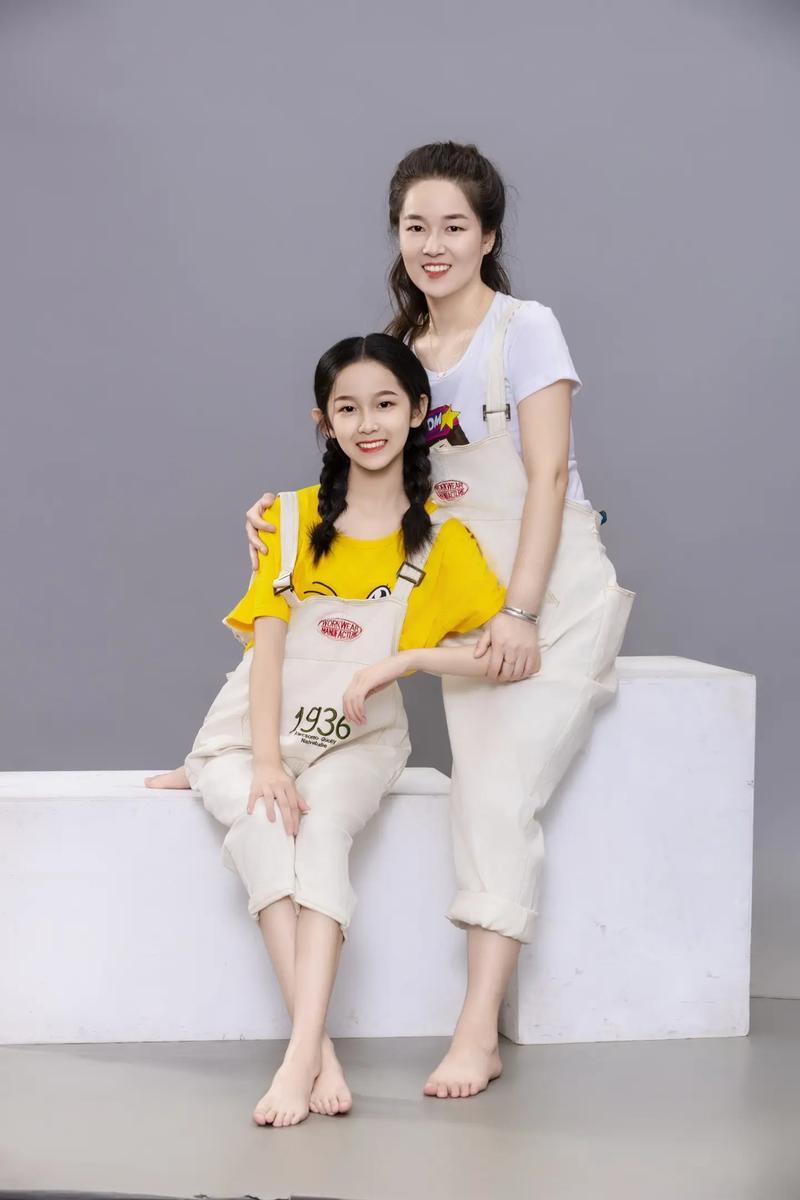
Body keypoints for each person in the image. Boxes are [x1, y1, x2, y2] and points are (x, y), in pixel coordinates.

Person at [242, 142, 636, 1100]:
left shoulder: (524, 328)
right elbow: (370, 462)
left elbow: (548, 474)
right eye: (415, 226)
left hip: (545, 590)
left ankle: (477, 1031)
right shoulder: (404, 347)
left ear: (488, 236)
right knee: (327, 694)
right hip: (451, 594)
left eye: (454, 226)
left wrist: (523, 610)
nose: (433, 244)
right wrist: (284, 514)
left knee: (493, 793)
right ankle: (223, 763)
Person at [147, 332, 506, 1127]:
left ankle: (298, 1056)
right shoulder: (286, 517)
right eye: (347, 409)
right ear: (324, 421)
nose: (367, 424)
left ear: (418, 411)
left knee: (322, 836)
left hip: (360, 740)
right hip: (255, 735)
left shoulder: (443, 540)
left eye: (385, 404)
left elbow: (500, 656)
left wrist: (403, 660)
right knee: (264, 826)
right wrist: (266, 764)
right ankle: (316, 1052)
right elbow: (267, 653)